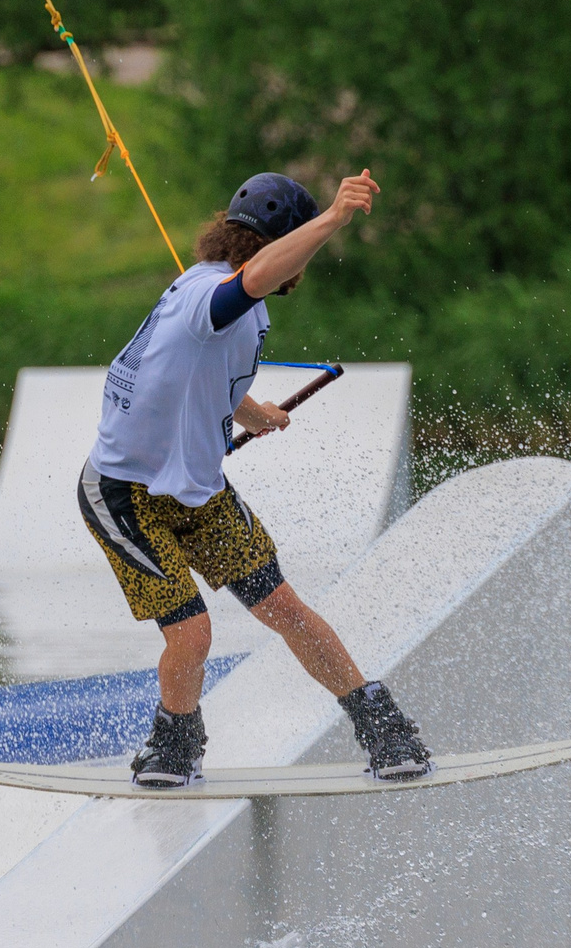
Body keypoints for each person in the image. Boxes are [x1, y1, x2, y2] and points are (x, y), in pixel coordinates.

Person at [79, 169, 432, 788]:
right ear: (281, 247)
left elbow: (199, 370)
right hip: (123, 494)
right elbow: (251, 281)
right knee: (191, 633)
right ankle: (173, 746)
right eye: (301, 251)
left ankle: (380, 725)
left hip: (199, 493)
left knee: (285, 610)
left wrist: (252, 412)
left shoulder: (234, 307)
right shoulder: (210, 294)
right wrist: (334, 220)